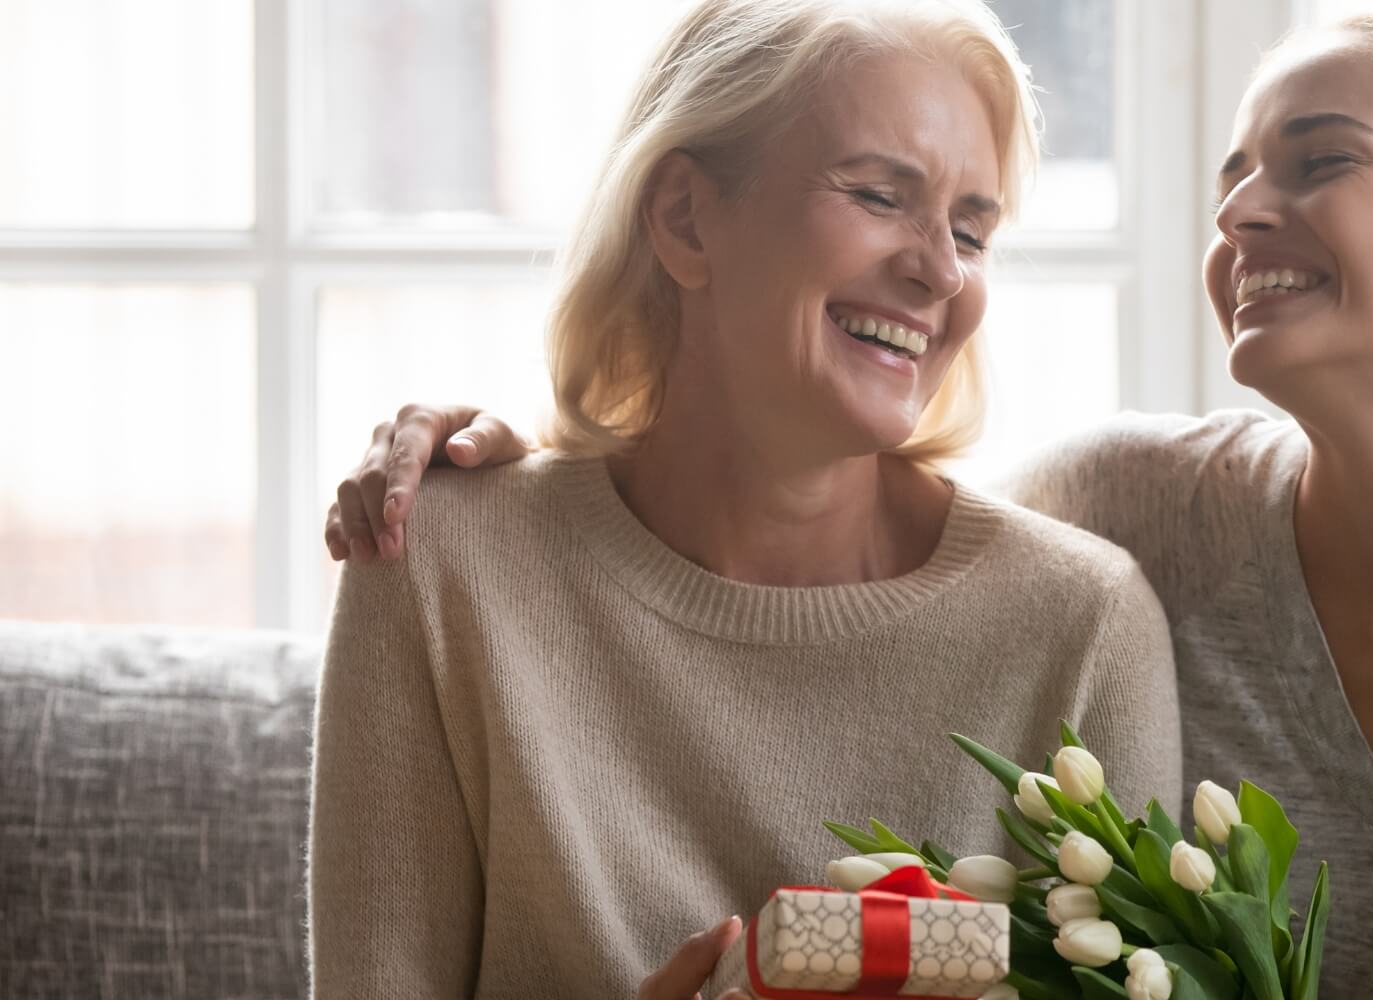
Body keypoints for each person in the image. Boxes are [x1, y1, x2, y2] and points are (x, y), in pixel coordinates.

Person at [328, 9, 1373, 998]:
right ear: (682, 214)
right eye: (1235, 171)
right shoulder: (1133, 525)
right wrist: (500, 469)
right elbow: (778, 502)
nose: (1239, 210)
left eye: (1318, 164)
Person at [305, 1, 1182, 997]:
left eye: (971, 230)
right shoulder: (436, 565)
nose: (940, 269)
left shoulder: (1080, 624)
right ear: (684, 218)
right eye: (877, 195)